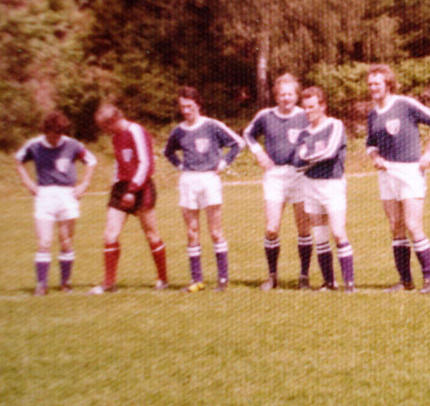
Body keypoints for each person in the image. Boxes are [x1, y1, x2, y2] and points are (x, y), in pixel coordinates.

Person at [366, 64, 430, 294]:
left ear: (388, 84)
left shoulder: (405, 104)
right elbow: (370, 144)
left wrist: (429, 152)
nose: (373, 88)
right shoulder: (373, 114)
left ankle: (429, 279)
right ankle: (405, 280)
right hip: (386, 174)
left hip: (410, 171)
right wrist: (375, 157)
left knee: (413, 225)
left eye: (377, 83)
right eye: (370, 84)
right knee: (395, 226)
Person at [164, 87, 244, 293]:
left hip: (209, 179)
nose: (186, 110)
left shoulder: (211, 125)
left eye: (190, 106)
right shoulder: (179, 131)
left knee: (215, 231)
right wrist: (180, 166)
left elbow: (237, 143)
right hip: (188, 181)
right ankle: (196, 280)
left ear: (198, 105)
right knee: (192, 232)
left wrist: (223, 163)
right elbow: (168, 152)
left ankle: (223, 279)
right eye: (182, 107)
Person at [243, 73, 313, 291]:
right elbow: (248, 134)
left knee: (303, 228)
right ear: (276, 96)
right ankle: (272, 276)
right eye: (282, 94)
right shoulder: (266, 115)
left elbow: (319, 133)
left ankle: (304, 276)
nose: (286, 98)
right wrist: (259, 153)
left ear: (296, 95)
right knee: (272, 228)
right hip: (274, 176)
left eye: (290, 94)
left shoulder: (305, 114)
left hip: (299, 175)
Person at [15, 111, 97, 295]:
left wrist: (84, 184)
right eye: (53, 134)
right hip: (45, 195)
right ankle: (41, 285)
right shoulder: (35, 145)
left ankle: (65, 283)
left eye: (59, 134)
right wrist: (28, 182)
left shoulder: (72, 144)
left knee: (66, 241)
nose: (56, 138)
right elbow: (18, 160)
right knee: (44, 241)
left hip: (67, 195)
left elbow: (91, 161)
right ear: (46, 131)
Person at [90, 103, 168, 294]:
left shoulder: (136, 131)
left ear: (113, 120)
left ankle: (162, 279)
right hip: (121, 188)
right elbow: (120, 163)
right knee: (110, 233)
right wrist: (117, 185)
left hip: (141, 187)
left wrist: (132, 190)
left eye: (105, 127)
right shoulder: (116, 137)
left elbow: (145, 163)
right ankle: (109, 283)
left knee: (151, 234)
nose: (105, 131)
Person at [294, 86, 355, 292]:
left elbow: (330, 152)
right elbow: (297, 160)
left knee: (338, 232)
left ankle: (349, 284)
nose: (308, 111)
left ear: (323, 106)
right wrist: (309, 159)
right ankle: (329, 282)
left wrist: (308, 158)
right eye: (305, 107)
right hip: (310, 185)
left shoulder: (334, 125)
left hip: (332, 184)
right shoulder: (304, 133)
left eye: (312, 107)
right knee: (320, 236)